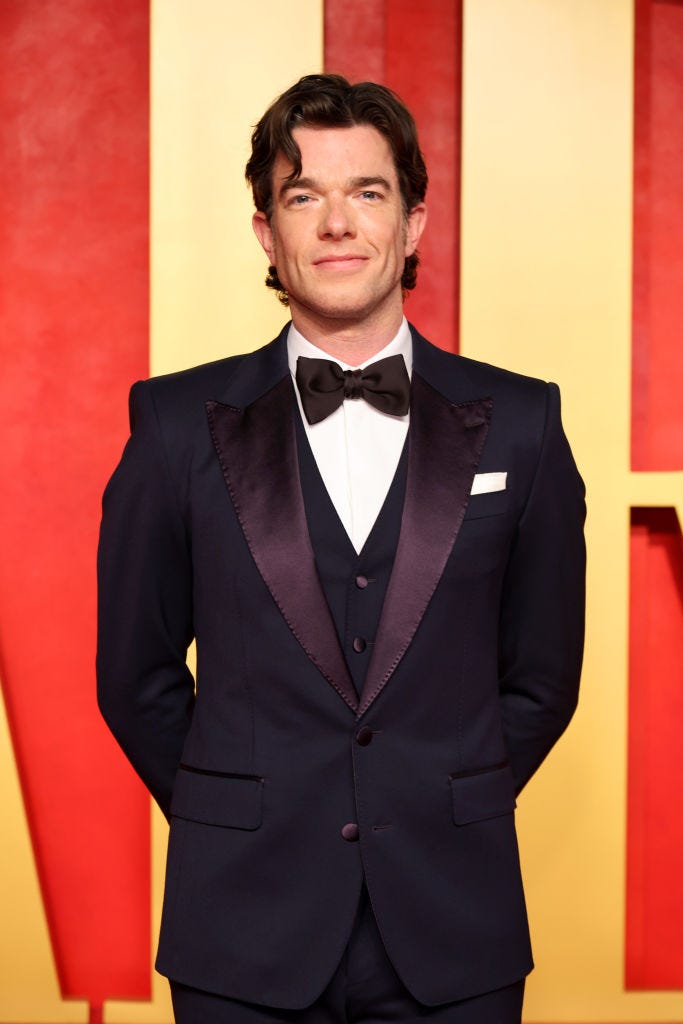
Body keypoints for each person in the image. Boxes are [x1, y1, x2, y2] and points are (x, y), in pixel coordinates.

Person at [97, 73, 586, 1023]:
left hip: (456, 926)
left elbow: (542, 678)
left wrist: (439, 799)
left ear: (412, 227)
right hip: (239, 928)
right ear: (265, 234)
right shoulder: (171, 425)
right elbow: (135, 676)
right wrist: (239, 814)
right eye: (301, 196)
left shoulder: (523, 423)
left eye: (367, 192)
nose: (335, 223)